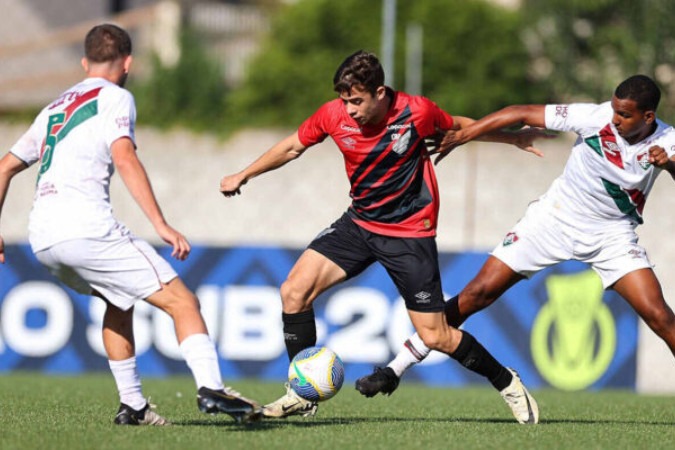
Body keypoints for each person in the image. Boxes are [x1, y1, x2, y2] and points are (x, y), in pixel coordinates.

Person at [220, 50, 543, 424]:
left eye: (357, 101)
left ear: (379, 92)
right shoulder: (333, 115)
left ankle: (507, 383)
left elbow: (458, 126)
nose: (350, 110)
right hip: (359, 223)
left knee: (437, 335)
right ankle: (301, 393)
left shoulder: (416, 112)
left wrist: (511, 139)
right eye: (345, 101)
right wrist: (244, 174)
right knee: (294, 291)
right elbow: (293, 145)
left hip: (409, 234)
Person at [0, 24, 261, 426]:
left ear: (85, 62)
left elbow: (4, 168)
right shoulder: (117, 98)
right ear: (128, 63)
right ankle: (211, 387)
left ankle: (133, 406)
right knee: (184, 303)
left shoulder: (53, 107)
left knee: (117, 301)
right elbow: (124, 157)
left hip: (43, 237)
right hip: (86, 229)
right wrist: (161, 223)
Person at [355, 74, 675, 399]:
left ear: (648, 117)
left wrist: (671, 164)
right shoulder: (594, 117)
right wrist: (465, 134)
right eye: (614, 109)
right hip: (553, 219)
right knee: (475, 295)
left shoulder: (668, 140)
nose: (615, 118)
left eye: (625, 114)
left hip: (612, 235)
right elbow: (521, 112)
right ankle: (394, 370)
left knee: (659, 315)